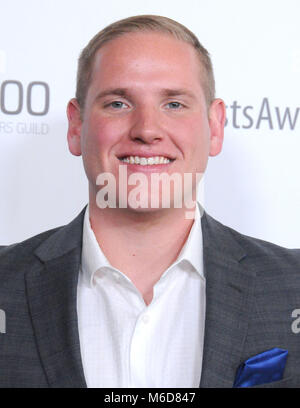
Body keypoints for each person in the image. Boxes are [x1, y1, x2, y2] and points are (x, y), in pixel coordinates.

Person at [0, 15, 300, 389]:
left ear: (216, 126)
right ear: (76, 127)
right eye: (118, 103)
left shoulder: (294, 285)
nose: (146, 130)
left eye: (173, 104)